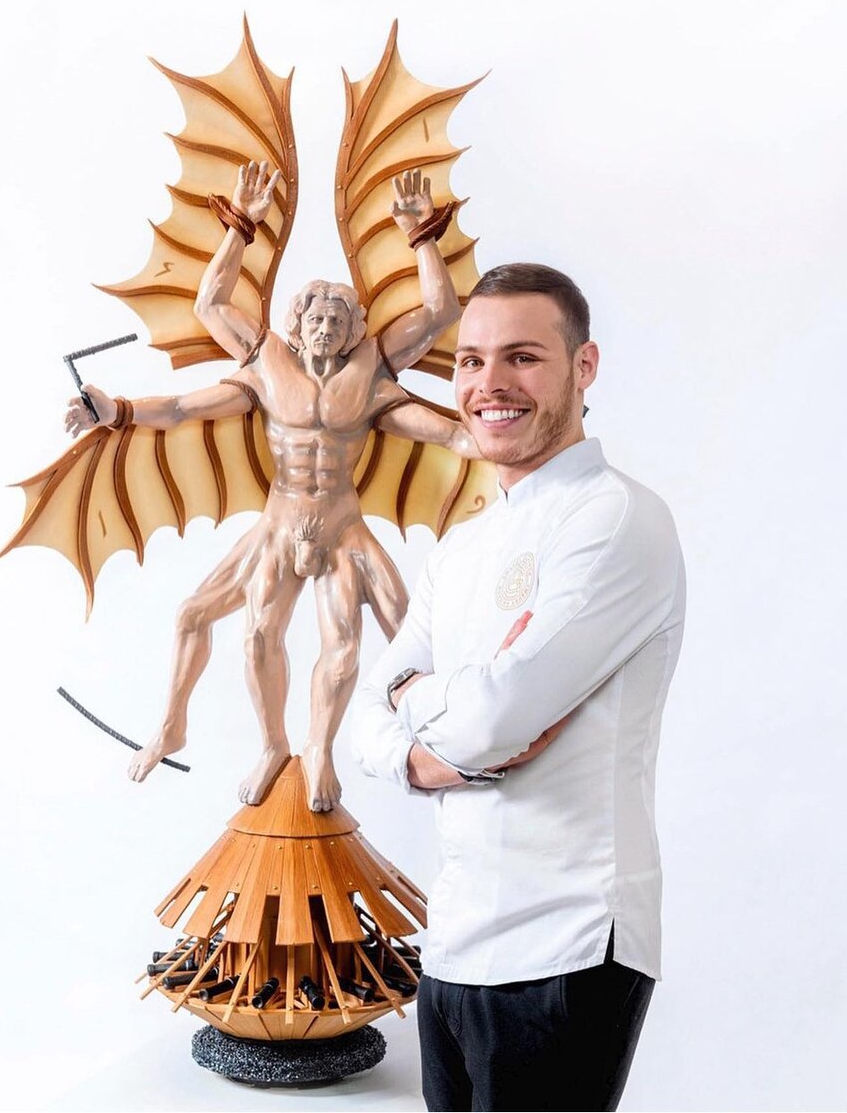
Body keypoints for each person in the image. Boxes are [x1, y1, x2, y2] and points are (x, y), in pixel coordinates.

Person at [350, 262, 686, 1112]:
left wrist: (425, 698)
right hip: (453, 949)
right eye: (471, 360)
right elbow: (367, 718)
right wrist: (432, 743)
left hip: (565, 942)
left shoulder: (617, 518)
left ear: (584, 366)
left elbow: (494, 719)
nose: (489, 384)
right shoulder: (461, 548)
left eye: (523, 357)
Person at [64, 163, 478, 812]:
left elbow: (440, 318)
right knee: (224, 624)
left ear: (353, 329)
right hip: (280, 523)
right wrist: (240, 225)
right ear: (297, 323)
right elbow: (190, 375)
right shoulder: (265, 363)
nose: (326, 327)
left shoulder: (373, 370)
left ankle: (324, 748)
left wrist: (421, 235)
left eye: (338, 320)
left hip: (342, 526)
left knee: (372, 637)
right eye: (316, 317)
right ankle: (248, 741)